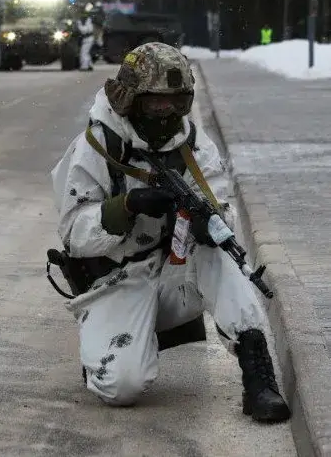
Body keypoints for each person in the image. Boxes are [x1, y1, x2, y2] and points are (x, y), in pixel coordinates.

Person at [50, 42, 290, 423]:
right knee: (120, 388)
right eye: (156, 103)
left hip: (174, 274)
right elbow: (74, 234)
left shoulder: (194, 145)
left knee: (218, 250)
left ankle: (258, 370)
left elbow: (219, 204)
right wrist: (126, 207)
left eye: (176, 102)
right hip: (116, 280)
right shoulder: (97, 146)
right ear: (131, 99)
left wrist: (208, 223)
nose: (167, 113)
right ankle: (112, 348)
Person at [76, 6, 95, 71]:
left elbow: (84, 31)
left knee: (83, 53)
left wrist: (79, 25)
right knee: (86, 52)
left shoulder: (88, 21)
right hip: (87, 39)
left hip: (88, 38)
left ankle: (84, 67)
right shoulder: (86, 20)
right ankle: (90, 65)